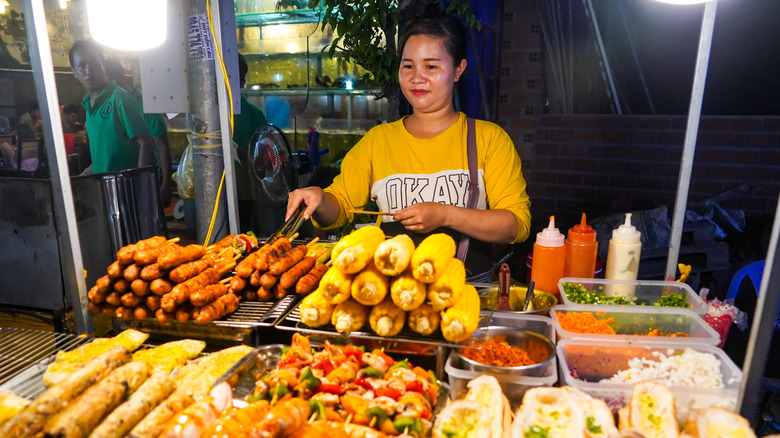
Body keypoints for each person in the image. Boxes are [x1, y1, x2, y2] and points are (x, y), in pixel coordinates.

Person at [285, 14, 531, 272]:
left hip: (465, 292)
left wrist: (446, 215)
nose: (417, 78)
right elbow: (340, 206)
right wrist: (319, 199)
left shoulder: (488, 139)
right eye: (408, 66)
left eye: (431, 67)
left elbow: (517, 224)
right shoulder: (378, 141)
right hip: (392, 292)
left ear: (458, 69)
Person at [68, 40, 155, 175]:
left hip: (126, 190)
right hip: (105, 190)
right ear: (74, 71)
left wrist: (141, 183)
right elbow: (103, 159)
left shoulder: (120, 98)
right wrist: (81, 178)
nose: (88, 71)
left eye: (94, 64)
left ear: (103, 64)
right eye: (81, 66)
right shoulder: (88, 106)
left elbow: (145, 143)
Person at [103, 58, 173, 207]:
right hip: (119, 181)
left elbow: (162, 146)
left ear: (120, 79)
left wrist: (166, 183)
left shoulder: (145, 103)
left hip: (147, 180)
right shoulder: (108, 105)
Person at [233, 53, 269, 232]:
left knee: (243, 239)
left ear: (242, 81)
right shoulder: (208, 114)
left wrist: (236, 149)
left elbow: (261, 160)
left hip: (244, 194)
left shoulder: (254, 115)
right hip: (213, 194)